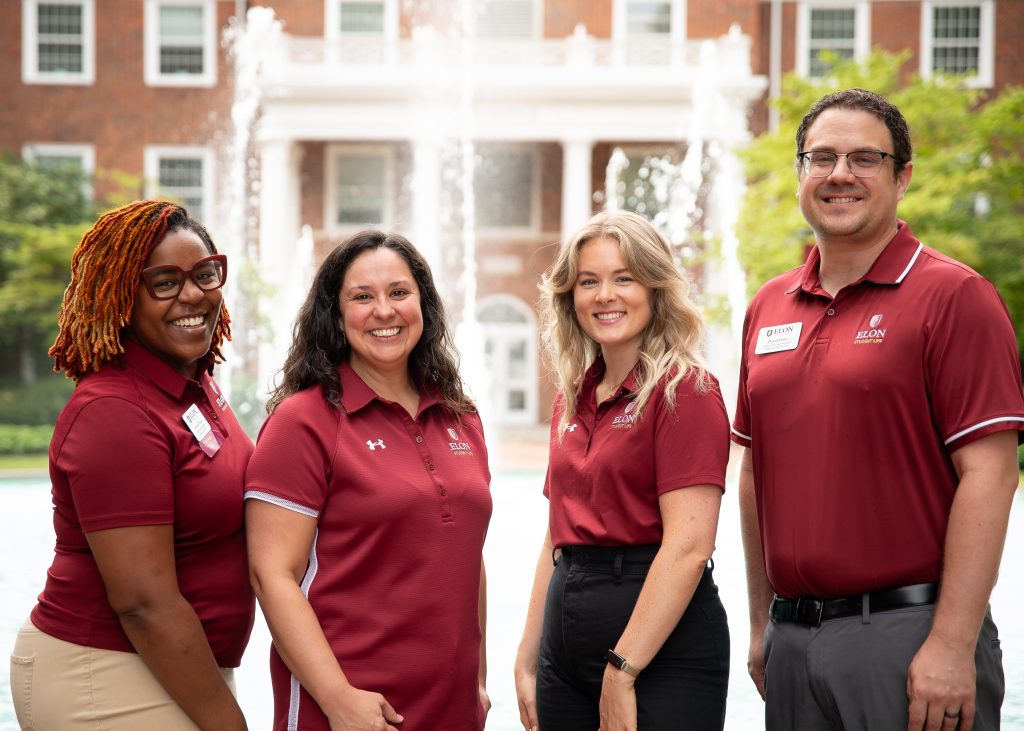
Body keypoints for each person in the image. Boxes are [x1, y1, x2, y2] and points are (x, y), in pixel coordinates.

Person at [733, 88, 1024, 731]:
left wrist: (950, 644)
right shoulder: (768, 307)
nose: (840, 174)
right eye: (822, 157)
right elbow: (754, 473)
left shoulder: (955, 297)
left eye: (865, 157)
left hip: (908, 634)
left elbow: (992, 475)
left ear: (903, 176)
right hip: (794, 640)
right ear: (800, 174)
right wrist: (762, 623)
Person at [9, 200, 255, 730]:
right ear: (122, 297)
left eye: (204, 274)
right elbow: (143, 601)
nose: (192, 295)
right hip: (104, 675)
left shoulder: (192, 386)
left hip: (175, 668)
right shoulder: (115, 412)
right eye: (163, 282)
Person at [245, 229, 492, 731]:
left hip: (451, 708)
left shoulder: (460, 417)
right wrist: (338, 701)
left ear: (423, 303)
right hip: (348, 707)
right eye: (362, 297)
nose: (384, 310)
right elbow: (272, 576)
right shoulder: (305, 421)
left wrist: (478, 682)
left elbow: (466, 555)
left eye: (399, 292)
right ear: (336, 317)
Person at [514, 209, 731, 731]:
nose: (604, 295)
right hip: (564, 651)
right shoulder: (573, 398)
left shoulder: (687, 391)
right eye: (589, 281)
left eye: (624, 278)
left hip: (661, 653)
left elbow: (689, 547)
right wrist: (528, 654)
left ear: (655, 289)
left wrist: (621, 670)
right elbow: (555, 537)